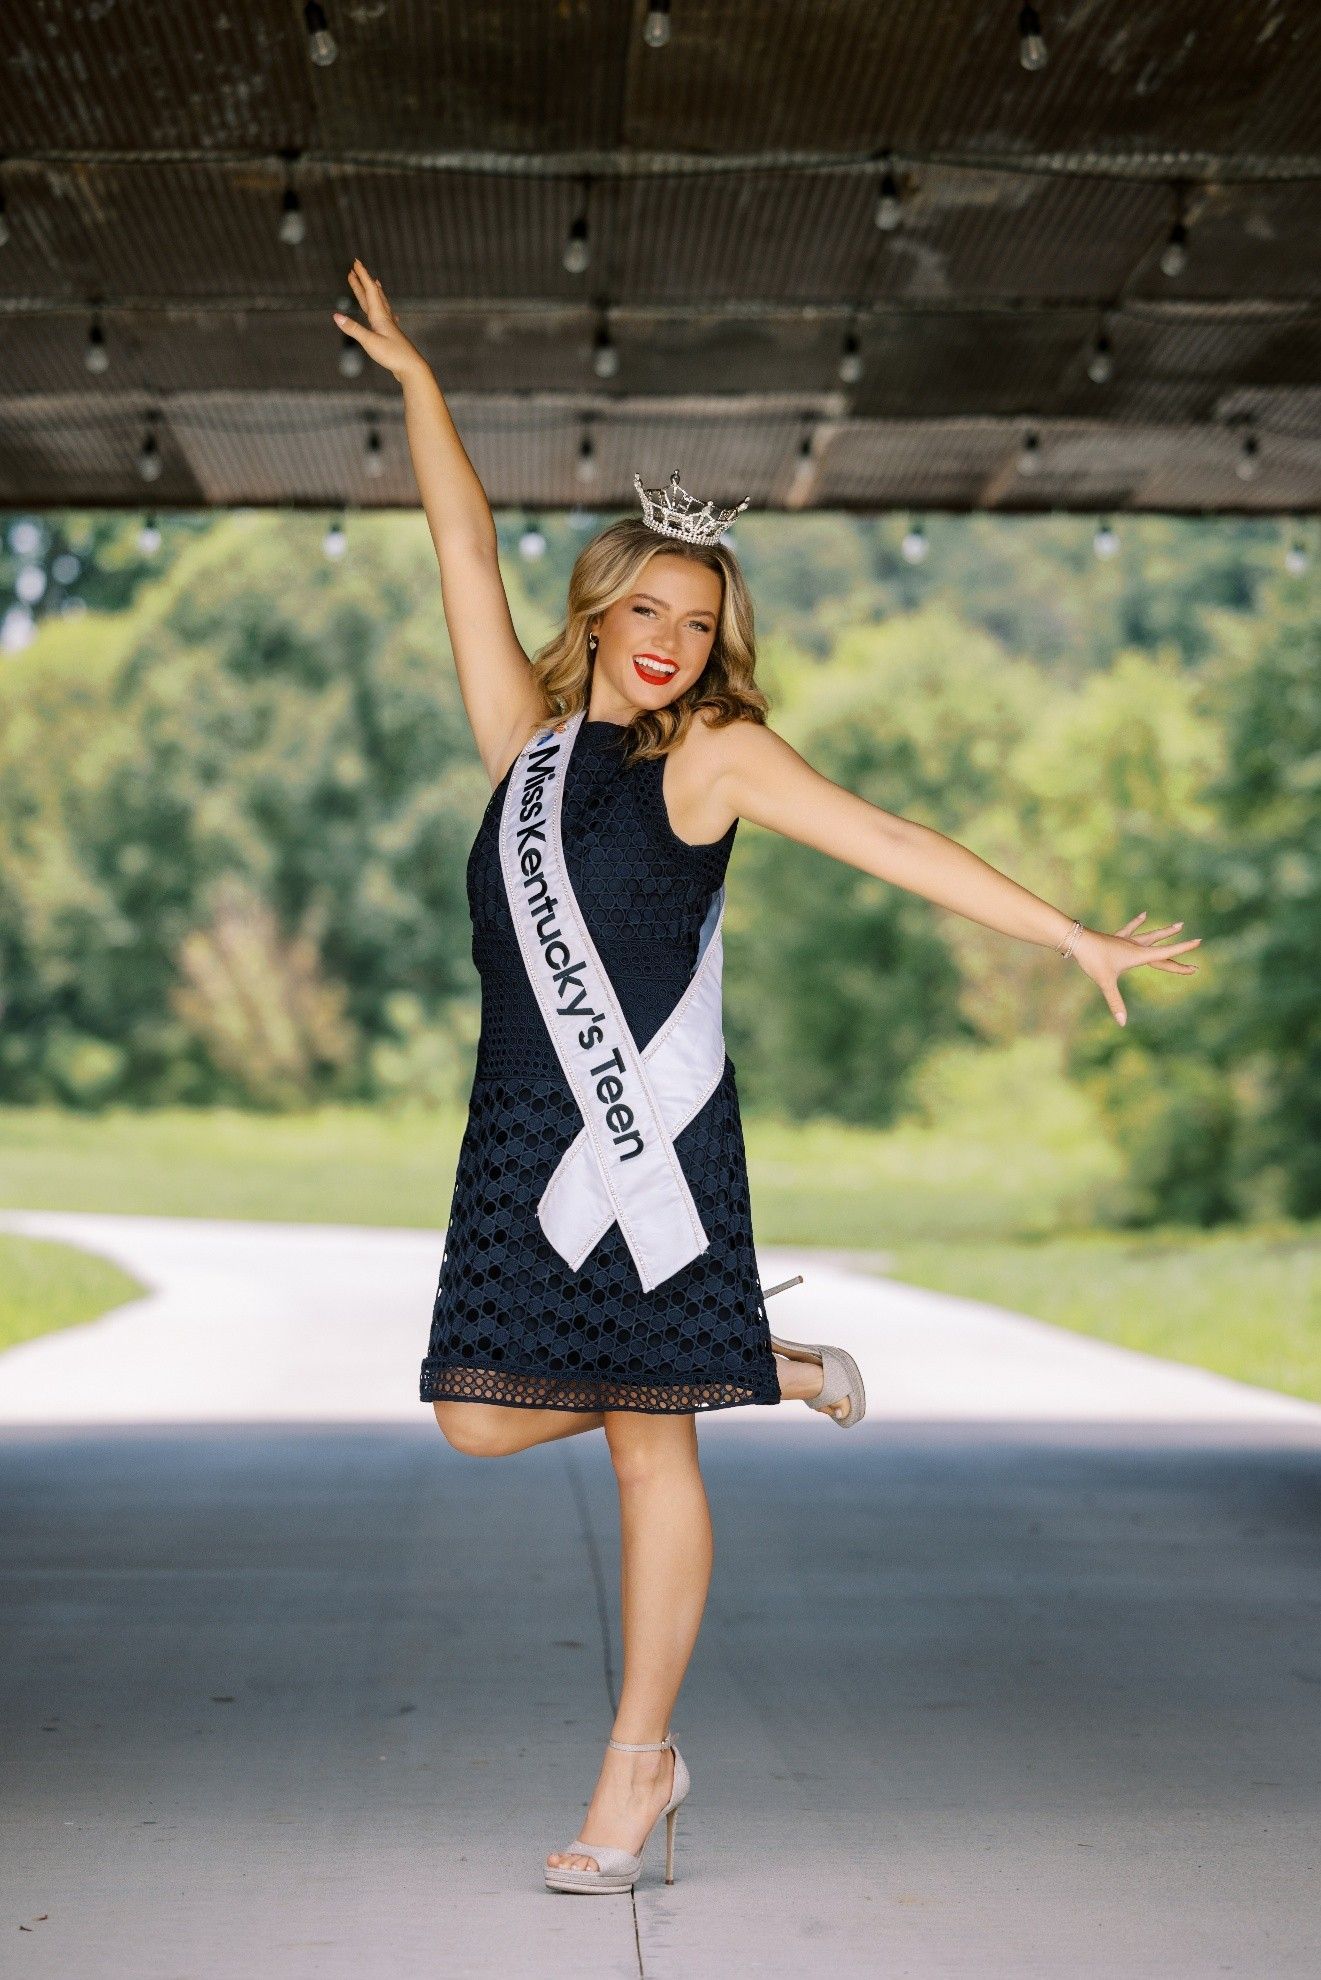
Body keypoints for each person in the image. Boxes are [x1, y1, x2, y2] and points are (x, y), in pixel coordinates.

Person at [332, 260, 1203, 1894]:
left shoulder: (714, 757)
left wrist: (1067, 933)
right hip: (524, 1136)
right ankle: (763, 1360)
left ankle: (632, 1775)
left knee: (651, 1440)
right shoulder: (520, 748)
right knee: (469, 1419)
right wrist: (424, 392)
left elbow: (884, 838)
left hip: (648, 1137)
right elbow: (457, 547)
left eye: (699, 622)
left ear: (723, 642)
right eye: (645, 612)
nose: (669, 643)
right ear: (597, 612)